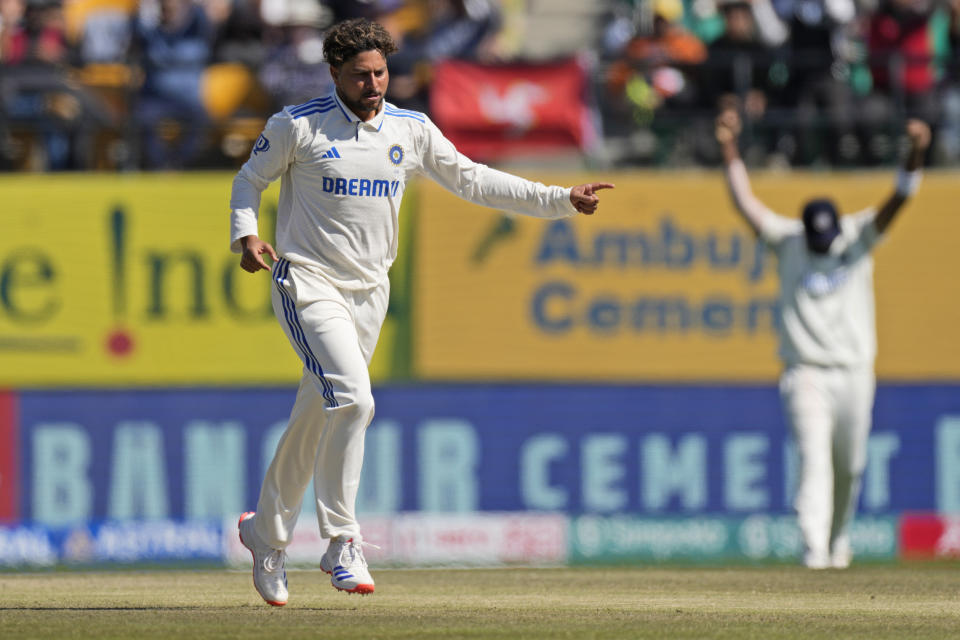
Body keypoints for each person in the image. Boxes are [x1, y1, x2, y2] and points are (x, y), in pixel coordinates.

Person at [229, 17, 614, 606]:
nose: (374, 85)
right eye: (361, 75)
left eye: (381, 72)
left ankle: (265, 534)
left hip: (370, 292)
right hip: (307, 282)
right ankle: (341, 540)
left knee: (318, 411)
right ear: (335, 73)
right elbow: (248, 180)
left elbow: (474, 179)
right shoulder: (297, 126)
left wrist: (558, 199)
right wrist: (246, 236)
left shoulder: (410, 129)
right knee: (355, 400)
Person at [715, 108, 929, 569]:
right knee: (813, 458)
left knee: (849, 468)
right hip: (805, 370)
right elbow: (744, 202)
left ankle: (837, 543)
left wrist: (916, 151)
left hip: (855, 371)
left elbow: (900, 197)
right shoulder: (788, 240)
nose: (822, 245)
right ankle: (813, 549)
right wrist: (728, 146)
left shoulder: (857, 235)